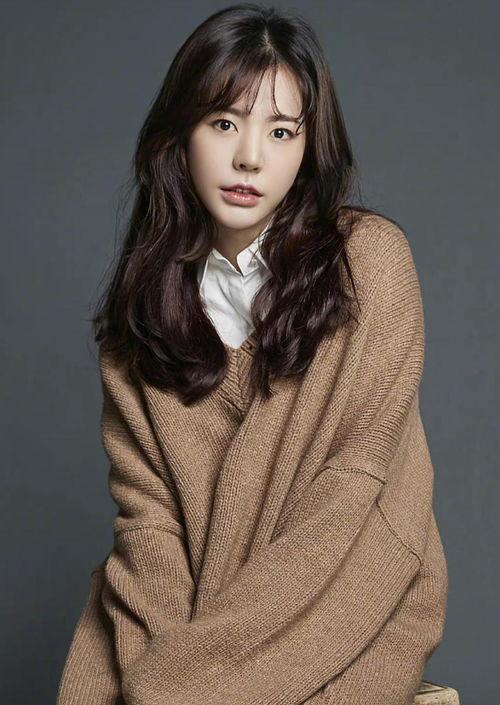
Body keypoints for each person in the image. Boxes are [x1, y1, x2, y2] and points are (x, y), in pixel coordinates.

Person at [56, 4, 449, 705]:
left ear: (308, 148)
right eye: (224, 122)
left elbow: (350, 500)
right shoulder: (137, 321)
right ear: (181, 133)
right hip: (177, 631)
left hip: (352, 607)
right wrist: (156, 676)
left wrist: (183, 687)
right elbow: (149, 528)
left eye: (281, 130)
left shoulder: (369, 265)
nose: (250, 158)